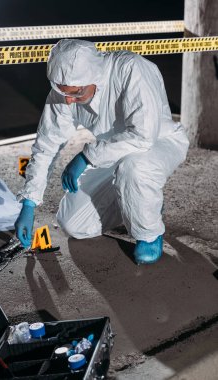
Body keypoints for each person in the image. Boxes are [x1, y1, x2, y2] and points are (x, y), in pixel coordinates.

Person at [15, 39, 189, 264]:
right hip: (111, 151)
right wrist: (29, 202)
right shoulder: (64, 90)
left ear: (93, 78)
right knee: (73, 223)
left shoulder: (132, 70)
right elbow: (46, 144)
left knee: (134, 169)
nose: (69, 100)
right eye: (63, 92)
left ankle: (149, 234)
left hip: (158, 143)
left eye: (76, 93)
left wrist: (86, 156)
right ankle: (140, 202)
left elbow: (143, 136)